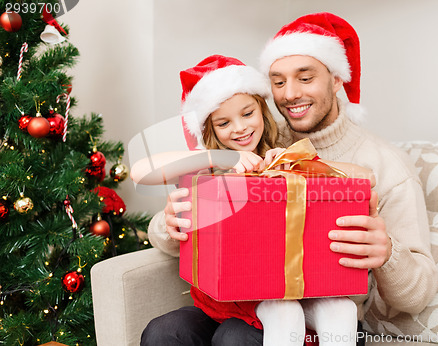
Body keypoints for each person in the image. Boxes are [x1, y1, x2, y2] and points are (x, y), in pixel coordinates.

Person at [146, 12, 438, 346]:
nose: (290, 94)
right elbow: (177, 193)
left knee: (237, 336)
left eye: (305, 77)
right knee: (164, 331)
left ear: (337, 79)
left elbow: (417, 296)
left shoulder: (387, 164)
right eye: (279, 81)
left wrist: (388, 253)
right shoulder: (257, 139)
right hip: (235, 299)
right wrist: (170, 223)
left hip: (316, 308)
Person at [135, 54, 376, 346]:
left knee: (254, 329)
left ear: (262, 111)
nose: (239, 128)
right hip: (220, 302)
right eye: (223, 123)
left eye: (247, 114)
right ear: (210, 130)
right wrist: (223, 158)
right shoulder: (204, 168)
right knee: (164, 331)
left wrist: (297, 163)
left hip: (277, 294)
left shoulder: (282, 156)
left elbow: (365, 178)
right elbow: (140, 171)